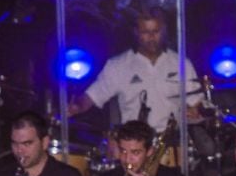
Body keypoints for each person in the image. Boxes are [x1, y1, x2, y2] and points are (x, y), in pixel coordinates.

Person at [67, 7, 203, 132]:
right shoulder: (118, 65)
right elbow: (92, 96)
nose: (151, 37)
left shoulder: (181, 63)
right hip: (134, 145)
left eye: (156, 31)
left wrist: (196, 111)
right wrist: (77, 107)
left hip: (172, 143)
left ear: (164, 31)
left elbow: (197, 102)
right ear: (136, 32)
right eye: (145, 32)